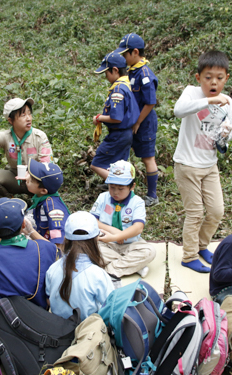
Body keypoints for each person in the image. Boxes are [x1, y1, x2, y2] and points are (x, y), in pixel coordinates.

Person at [173, 50, 232, 273]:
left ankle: (201, 246)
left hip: (209, 166)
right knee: (195, 212)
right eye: (208, 77)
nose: (214, 82)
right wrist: (208, 100)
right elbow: (178, 111)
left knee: (217, 211)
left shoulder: (227, 102)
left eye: (219, 78)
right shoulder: (191, 93)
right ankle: (189, 256)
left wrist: (227, 133)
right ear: (198, 77)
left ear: (226, 78)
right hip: (187, 165)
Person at [0, 198, 59, 308]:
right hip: (39, 310)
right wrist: (31, 232)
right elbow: (56, 251)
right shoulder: (43, 247)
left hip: (7, 312)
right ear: (23, 224)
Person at [115, 33, 160, 207]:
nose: (124, 58)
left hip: (145, 122)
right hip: (133, 121)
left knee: (147, 157)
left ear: (135, 52)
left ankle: (152, 195)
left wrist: (138, 122)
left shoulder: (145, 74)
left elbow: (150, 102)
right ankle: (126, 189)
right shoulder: (132, 71)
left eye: (125, 54)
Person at [91, 160, 156, 278]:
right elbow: (92, 220)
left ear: (132, 186)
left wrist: (118, 236)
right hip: (105, 243)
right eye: (112, 187)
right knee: (87, 249)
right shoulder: (103, 197)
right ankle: (134, 266)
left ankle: (108, 271)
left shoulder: (137, 202)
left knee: (149, 252)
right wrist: (113, 232)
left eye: (121, 189)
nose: (115, 192)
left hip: (130, 243)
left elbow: (138, 228)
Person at [45, 211, 114, 320]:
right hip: (88, 333)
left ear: (66, 239)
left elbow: (49, 300)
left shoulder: (52, 268)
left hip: (57, 330)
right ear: (96, 239)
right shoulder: (98, 274)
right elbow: (111, 307)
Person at [91, 52, 140, 184]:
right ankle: (121, 187)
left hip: (118, 135)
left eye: (107, 73)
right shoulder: (126, 85)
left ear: (115, 70)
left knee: (96, 164)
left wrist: (99, 118)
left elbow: (116, 118)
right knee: (120, 166)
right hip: (125, 134)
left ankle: (119, 185)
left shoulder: (118, 90)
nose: (106, 76)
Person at [25, 159, 70, 249]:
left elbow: (58, 248)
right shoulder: (41, 199)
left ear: (43, 191)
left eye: (31, 180)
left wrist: (30, 232)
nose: (26, 179)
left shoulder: (54, 211)